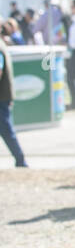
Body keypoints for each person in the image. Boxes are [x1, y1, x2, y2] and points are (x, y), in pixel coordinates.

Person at [0, 36, 29, 168]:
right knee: (6, 130)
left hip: (1, 97)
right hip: (3, 96)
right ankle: (20, 159)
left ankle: (20, 160)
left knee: (6, 130)